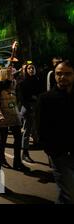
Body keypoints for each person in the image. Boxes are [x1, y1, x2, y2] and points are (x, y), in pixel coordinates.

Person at [37, 60, 74, 204]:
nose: (62, 77)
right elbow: (40, 127)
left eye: (67, 74)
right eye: (59, 74)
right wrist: (51, 150)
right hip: (60, 155)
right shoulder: (46, 99)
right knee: (68, 195)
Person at [0, 69, 30, 172]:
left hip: (14, 115)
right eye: (9, 74)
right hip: (4, 116)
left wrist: (18, 113)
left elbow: (16, 99)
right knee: (3, 139)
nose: (11, 76)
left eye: (11, 75)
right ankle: (1, 158)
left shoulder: (13, 85)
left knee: (18, 138)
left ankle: (17, 161)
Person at [18, 64, 42, 162]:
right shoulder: (23, 82)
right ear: (25, 70)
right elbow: (22, 98)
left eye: (33, 68)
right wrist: (29, 107)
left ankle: (37, 143)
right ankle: (25, 152)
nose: (31, 69)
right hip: (27, 108)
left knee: (35, 128)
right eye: (29, 68)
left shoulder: (37, 80)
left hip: (36, 107)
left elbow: (40, 93)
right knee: (27, 130)